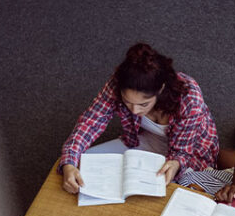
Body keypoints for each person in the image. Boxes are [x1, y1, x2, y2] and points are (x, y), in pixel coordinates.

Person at [58, 43, 219, 194]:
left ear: (161, 89)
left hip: (191, 151)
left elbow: (182, 152)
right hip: (142, 140)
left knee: (163, 193)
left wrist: (175, 164)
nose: (134, 110)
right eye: (127, 101)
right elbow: (91, 122)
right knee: (83, 166)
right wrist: (69, 162)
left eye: (143, 104)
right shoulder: (118, 83)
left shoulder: (189, 98)